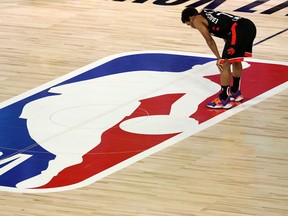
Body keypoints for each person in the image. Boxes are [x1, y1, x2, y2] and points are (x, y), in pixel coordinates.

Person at [181, 8, 257, 108]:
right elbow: (225, 27)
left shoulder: (196, 20)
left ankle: (224, 99)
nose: (191, 26)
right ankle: (235, 92)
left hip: (238, 29)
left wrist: (219, 58)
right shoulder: (206, 13)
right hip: (248, 26)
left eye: (188, 24)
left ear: (191, 18)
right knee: (235, 60)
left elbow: (209, 40)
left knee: (224, 64)